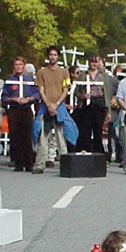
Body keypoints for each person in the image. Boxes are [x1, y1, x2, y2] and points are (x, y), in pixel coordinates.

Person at [32, 46, 77, 174]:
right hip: (45, 107)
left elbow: (65, 90)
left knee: (61, 137)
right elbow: (41, 90)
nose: (53, 57)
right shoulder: (41, 72)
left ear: (58, 57)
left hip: (59, 107)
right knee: (42, 136)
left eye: (55, 55)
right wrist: (48, 104)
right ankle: (40, 164)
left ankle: (65, 165)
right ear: (48, 56)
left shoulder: (64, 72)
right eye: (51, 54)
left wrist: (56, 104)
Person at [1, 57, 39, 172]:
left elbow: (37, 94)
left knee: (27, 137)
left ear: (24, 66)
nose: (18, 67)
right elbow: (4, 97)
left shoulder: (31, 80)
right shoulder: (10, 81)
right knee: (15, 136)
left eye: (20, 64)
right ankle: (18, 163)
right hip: (14, 110)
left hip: (26, 110)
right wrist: (14, 99)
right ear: (13, 67)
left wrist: (28, 99)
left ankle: (29, 163)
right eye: (16, 65)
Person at [74, 53, 109, 155]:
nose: (94, 64)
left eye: (96, 61)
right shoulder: (83, 75)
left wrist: (108, 110)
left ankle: (99, 155)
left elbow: (106, 93)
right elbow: (77, 91)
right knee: (85, 131)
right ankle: (86, 153)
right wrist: (83, 96)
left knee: (98, 131)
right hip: (86, 105)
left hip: (99, 104)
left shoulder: (103, 75)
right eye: (92, 61)